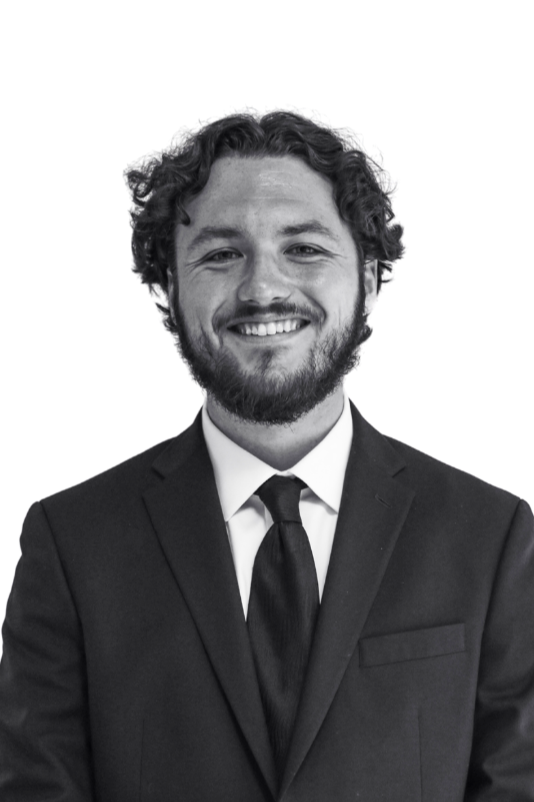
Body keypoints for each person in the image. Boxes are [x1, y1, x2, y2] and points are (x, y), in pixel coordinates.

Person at [1, 107, 533, 801]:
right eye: (222, 254)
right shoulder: (70, 544)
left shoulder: (490, 537)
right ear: (169, 290)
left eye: (305, 248)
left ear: (371, 281)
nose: (262, 289)